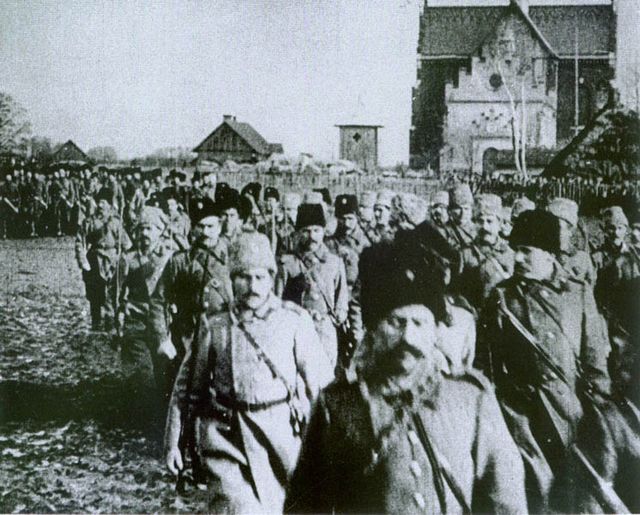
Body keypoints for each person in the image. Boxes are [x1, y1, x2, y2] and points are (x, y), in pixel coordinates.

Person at [286, 237, 527, 514]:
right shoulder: (338, 406)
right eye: (396, 322)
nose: (408, 337)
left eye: (419, 323)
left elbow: (506, 499)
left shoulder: (470, 399)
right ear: (374, 330)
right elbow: (305, 505)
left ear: (434, 331)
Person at [164, 232, 333, 513]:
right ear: (232, 280)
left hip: (280, 437)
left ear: (271, 278)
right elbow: (187, 390)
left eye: (260, 277)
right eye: (243, 277)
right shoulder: (215, 325)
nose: (253, 286)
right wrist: (173, 443)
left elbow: (322, 388)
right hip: (227, 440)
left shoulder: (293, 321)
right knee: (238, 507)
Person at [477, 209, 612, 513]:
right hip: (523, 422)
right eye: (516, 250)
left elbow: (595, 366)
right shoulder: (501, 297)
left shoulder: (577, 293)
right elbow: (485, 366)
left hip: (573, 420)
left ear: (549, 253)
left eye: (526, 251)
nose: (518, 258)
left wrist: (598, 419)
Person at [149, 197, 233, 397]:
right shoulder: (180, 262)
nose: (205, 232)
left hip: (224, 337)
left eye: (210, 226)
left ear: (219, 227)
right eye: (200, 227)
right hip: (188, 339)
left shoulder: (232, 259)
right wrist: (162, 339)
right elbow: (158, 300)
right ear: (193, 229)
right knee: (184, 394)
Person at [114, 206, 174, 408]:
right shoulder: (128, 259)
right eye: (141, 229)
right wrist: (117, 320)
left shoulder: (169, 257)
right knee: (142, 373)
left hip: (163, 323)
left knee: (165, 371)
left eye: (149, 228)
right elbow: (116, 292)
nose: (144, 233)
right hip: (136, 322)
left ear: (160, 230)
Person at [279, 203, 348, 372]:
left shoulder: (334, 262)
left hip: (325, 330)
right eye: (306, 231)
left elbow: (342, 296)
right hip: (296, 329)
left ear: (324, 231)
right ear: (298, 233)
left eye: (316, 230)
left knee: (326, 375)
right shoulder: (288, 263)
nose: (312, 236)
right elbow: (277, 299)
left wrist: (340, 313)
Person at [75, 187, 131, 330]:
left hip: (112, 261)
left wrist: (124, 260)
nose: (100, 205)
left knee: (113, 293)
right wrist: (83, 261)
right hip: (95, 260)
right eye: (99, 202)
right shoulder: (89, 222)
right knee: (94, 292)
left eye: (104, 202)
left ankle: (110, 321)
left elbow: (126, 244)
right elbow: (80, 242)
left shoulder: (116, 222)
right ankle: (96, 321)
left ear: (110, 205)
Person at [459, 193, 514, 309]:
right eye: (480, 221)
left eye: (489, 221)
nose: (484, 227)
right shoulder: (464, 253)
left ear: (499, 223)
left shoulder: (509, 253)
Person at [546, 197, 594, 285]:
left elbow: (590, 288)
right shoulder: (541, 256)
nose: (552, 231)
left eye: (557, 227)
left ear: (570, 230)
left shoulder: (582, 259)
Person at [447, 183, 477, 248]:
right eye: (458, 209)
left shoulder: (478, 229)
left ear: (471, 210)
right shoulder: (446, 230)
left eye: (466, 209)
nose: (463, 213)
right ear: (450, 211)